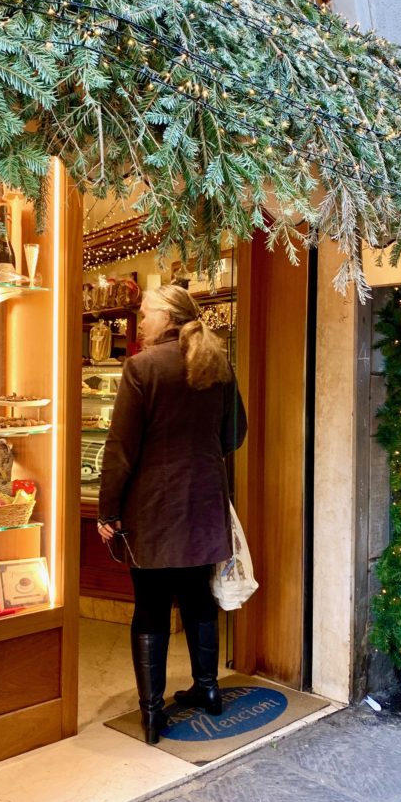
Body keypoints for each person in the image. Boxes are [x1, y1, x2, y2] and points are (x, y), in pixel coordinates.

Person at [98, 284, 247, 744]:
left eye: (145, 314)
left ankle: (150, 713)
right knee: (200, 600)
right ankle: (208, 691)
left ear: (167, 317)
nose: (139, 323)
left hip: (154, 509)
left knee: (151, 608)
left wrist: (109, 509)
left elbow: (121, 449)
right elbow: (235, 433)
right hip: (203, 502)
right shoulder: (217, 365)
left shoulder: (142, 367)